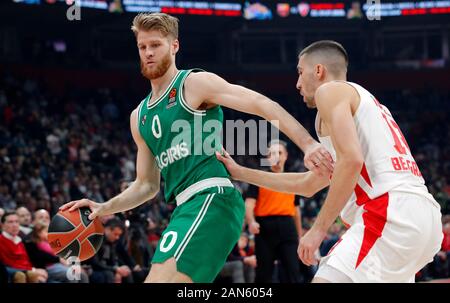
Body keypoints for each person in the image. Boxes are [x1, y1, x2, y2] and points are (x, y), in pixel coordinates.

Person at [60, 13, 333, 283]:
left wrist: (308, 143)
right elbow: (146, 185)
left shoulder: (193, 84)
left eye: (156, 45)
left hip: (212, 198)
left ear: (174, 46)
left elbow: (262, 104)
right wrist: (103, 207)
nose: (148, 53)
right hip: (184, 209)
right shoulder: (139, 116)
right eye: (143, 47)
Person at [216, 40, 443, 283]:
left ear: (319, 71)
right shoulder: (368, 106)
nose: (297, 83)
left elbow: (352, 160)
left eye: (300, 73)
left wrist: (318, 229)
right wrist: (240, 172)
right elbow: (308, 184)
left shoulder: (330, 91)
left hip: (387, 213)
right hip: (423, 216)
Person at [244, 140, 303, 282]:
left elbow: (297, 211)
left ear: (286, 156)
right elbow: (249, 204)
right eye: (272, 154)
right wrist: (251, 222)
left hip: (288, 227)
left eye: (279, 153)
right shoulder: (259, 178)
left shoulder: (294, 179)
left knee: (293, 272)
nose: (276, 157)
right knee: (263, 274)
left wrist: (299, 236)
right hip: (264, 228)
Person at [0, 212, 48, 283]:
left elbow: (25, 261)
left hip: (26, 270)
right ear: (3, 225)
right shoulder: (1, 240)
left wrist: (34, 270)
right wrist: (33, 270)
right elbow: (9, 263)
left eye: (17, 222)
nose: (15, 225)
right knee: (22, 276)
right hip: (12, 273)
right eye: (10, 222)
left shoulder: (19, 240)